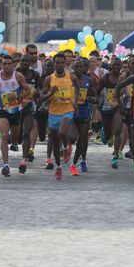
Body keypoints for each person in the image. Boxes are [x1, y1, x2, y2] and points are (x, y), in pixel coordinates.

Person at [0, 55, 30, 177]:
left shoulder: (18, 76)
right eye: (4, 64)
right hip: (2, 110)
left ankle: (15, 143)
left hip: (16, 110)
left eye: (8, 64)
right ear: (1, 65)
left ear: (12, 64)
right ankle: (5, 165)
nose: (6, 66)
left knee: (15, 138)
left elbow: (27, 90)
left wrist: (18, 97)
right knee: (4, 136)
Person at [40, 52, 78, 180]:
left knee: (62, 132)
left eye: (62, 62)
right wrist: (50, 93)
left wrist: (75, 100)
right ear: (54, 64)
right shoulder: (49, 79)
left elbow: (77, 88)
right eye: (57, 63)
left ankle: (66, 148)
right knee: (56, 143)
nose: (60, 65)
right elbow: (41, 97)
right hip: (53, 113)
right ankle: (58, 167)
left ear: (65, 63)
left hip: (67, 110)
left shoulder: (71, 77)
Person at [69, 58, 96, 175]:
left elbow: (95, 97)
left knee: (82, 139)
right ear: (73, 68)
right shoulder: (68, 80)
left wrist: (91, 99)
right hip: (71, 112)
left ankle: (76, 163)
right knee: (72, 137)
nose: (79, 69)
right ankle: (67, 147)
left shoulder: (89, 80)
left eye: (81, 66)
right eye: (77, 66)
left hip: (84, 112)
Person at [17, 53, 41, 173]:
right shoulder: (15, 73)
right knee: (18, 137)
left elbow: (40, 89)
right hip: (15, 107)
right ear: (20, 61)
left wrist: (37, 93)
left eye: (27, 61)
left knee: (27, 133)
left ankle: (23, 160)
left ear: (30, 63)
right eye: (23, 61)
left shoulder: (35, 74)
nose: (25, 63)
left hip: (29, 106)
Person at [98, 57, 123, 168]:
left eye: (118, 65)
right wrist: (97, 108)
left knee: (118, 130)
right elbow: (96, 92)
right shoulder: (104, 79)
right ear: (110, 66)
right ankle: (107, 134)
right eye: (114, 65)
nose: (116, 67)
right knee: (108, 134)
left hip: (118, 108)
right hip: (105, 109)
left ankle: (115, 156)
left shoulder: (123, 78)